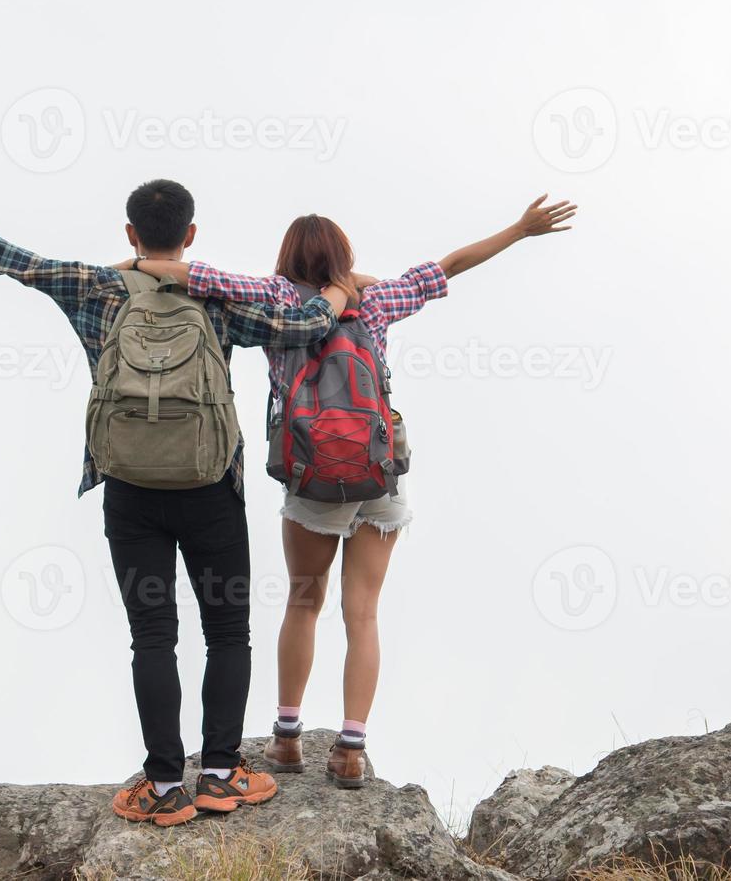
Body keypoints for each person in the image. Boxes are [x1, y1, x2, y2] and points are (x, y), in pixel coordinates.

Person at [0, 173, 356, 825]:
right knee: (227, 631)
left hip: (129, 494)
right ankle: (221, 775)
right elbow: (302, 324)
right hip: (210, 492)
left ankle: (165, 787)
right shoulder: (214, 295)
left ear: (129, 234)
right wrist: (340, 291)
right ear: (191, 234)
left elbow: (4, 256)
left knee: (153, 636)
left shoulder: (92, 285)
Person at [127, 194, 579, 787]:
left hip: (314, 477)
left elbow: (195, 275)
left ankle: (286, 740)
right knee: (362, 612)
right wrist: (519, 229)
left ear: (287, 257)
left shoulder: (277, 297)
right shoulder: (376, 300)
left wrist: (134, 265)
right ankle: (350, 749)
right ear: (344, 256)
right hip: (378, 471)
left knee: (303, 601)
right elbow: (450, 265)